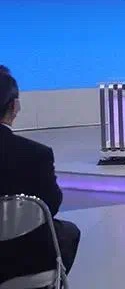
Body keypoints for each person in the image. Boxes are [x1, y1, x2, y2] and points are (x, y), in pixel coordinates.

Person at [0, 68, 81, 284]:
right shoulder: (36, 154)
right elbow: (51, 205)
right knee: (68, 232)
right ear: (14, 106)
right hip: (24, 258)